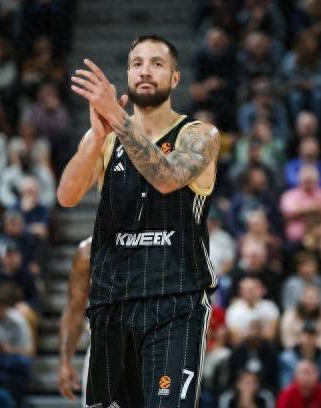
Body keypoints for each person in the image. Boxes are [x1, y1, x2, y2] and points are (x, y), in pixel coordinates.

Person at [59, 34, 220, 407]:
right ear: (128, 75)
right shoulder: (105, 137)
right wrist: (96, 136)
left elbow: (166, 178)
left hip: (175, 303)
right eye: (137, 64)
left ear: (175, 78)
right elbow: (66, 196)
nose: (145, 71)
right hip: (112, 303)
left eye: (156, 64)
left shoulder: (199, 135)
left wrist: (116, 118)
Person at [58, 236, 91, 402]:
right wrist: (65, 361)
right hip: (105, 348)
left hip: (156, 344)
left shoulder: (164, 239)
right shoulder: (89, 249)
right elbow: (74, 310)